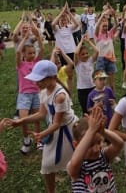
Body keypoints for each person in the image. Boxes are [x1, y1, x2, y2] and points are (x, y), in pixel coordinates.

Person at [5, 60, 77, 193]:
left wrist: (42, 134)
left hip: (67, 131)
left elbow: (57, 123)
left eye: (40, 80)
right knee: (47, 166)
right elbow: (42, 114)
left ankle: (78, 188)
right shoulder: (44, 91)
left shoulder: (60, 96)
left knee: (74, 164)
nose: (36, 83)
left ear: (52, 78)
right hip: (54, 129)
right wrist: (21, 121)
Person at [67, 106, 123, 192]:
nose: (96, 149)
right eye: (90, 145)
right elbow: (74, 163)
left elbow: (119, 144)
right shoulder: (78, 165)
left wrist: (102, 131)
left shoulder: (104, 156)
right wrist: (91, 130)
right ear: (76, 145)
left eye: (99, 142)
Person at [15, 31, 44, 152]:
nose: (32, 55)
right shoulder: (20, 65)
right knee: (23, 120)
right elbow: (17, 52)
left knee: (37, 119)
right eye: (29, 53)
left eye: (33, 53)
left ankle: (38, 140)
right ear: (24, 54)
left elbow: (41, 49)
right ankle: (26, 140)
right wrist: (25, 38)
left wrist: (38, 36)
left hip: (36, 94)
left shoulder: (37, 63)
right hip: (24, 95)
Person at [74, 34, 99, 114]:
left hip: (93, 87)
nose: (85, 55)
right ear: (79, 56)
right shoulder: (77, 63)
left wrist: (88, 41)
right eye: (83, 54)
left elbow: (97, 51)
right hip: (82, 90)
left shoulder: (90, 61)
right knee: (85, 110)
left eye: (86, 53)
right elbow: (75, 53)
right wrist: (81, 41)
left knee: (95, 109)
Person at [95, 8, 118, 90]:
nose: (105, 27)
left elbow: (116, 25)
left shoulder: (110, 34)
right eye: (103, 26)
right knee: (101, 82)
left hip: (110, 59)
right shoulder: (98, 35)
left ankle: (113, 99)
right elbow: (97, 25)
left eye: (106, 26)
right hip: (101, 59)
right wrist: (102, 15)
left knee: (112, 84)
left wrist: (114, 15)